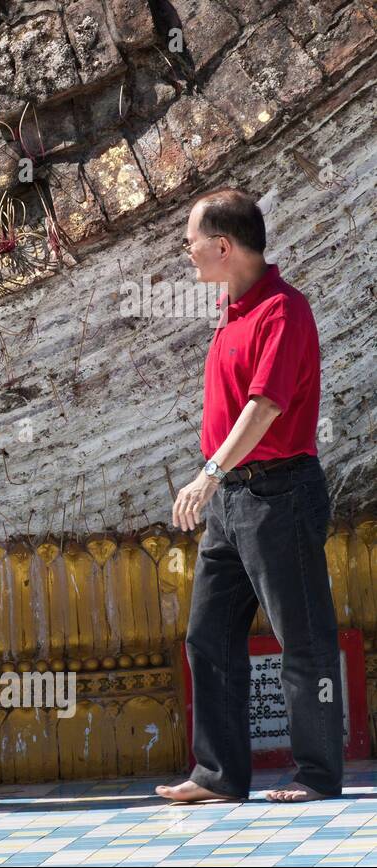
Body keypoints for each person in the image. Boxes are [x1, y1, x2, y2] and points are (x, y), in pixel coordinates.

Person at [156, 188, 341, 805]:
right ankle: (217, 775)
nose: (186, 251)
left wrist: (207, 472)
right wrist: (218, 481)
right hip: (232, 503)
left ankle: (316, 774)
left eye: (191, 240)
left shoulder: (284, 311)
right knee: (208, 637)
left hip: (279, 493)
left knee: (303, 638)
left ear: (224, 245)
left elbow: (266, 407)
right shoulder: (231, 313)